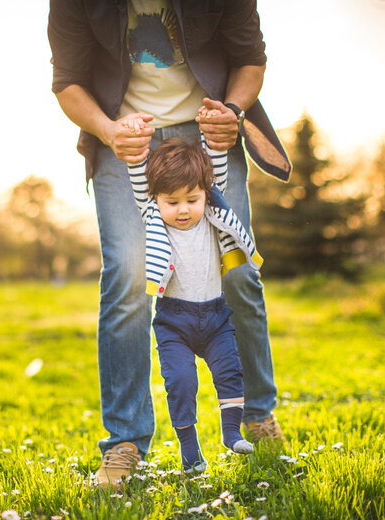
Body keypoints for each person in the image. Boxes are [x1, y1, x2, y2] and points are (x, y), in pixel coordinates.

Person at [47, 0, 292, 488]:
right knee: (127, 276)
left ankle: (259, 417)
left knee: (238, 269)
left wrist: (234, 112)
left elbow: (250, 58)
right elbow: (67, 82)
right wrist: (108, 130)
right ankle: (124, 442)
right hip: (124, 137)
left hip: (209, 134)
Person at [126, 134, 256, 473]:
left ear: (205, 194)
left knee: (230, 371)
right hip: (174, 322)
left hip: (216, 317)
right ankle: (190, 450)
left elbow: (217, 168)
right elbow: (139, 176)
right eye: (172, 202)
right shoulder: (152, 216)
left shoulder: (213, 213)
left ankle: (231, 433)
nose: (183, 209)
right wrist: (137, 149)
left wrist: (212, 136)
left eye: (192, 200)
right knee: (181, 382)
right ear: (156, 200)